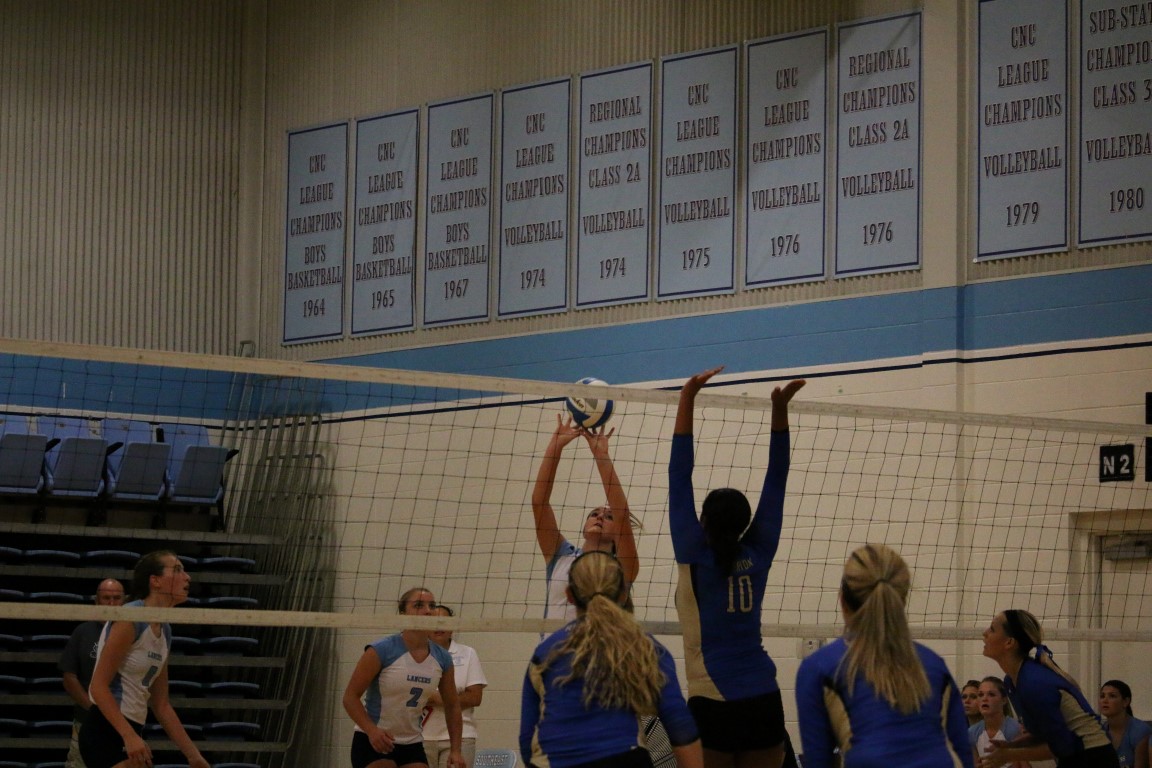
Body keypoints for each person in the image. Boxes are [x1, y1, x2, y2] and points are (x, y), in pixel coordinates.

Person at [668, 366, 803, 768]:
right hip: (763, 697)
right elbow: (777, 478)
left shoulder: (692, 550)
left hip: (712, 700)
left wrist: (687, 397)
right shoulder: (759, 550)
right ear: (743, 523)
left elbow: (679, 475)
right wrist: (779, 411)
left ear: (703, 521)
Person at [520, 550, 703, 768]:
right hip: (624, 759)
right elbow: (680, 728)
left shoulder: (544, 654)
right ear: (623, 593)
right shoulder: (645, 647)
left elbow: (526, 741)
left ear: (569, 595)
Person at [795, 543, 972, 768]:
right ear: (902, 601)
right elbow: (962, 752)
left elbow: (817, 760)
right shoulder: (933, 664)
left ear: (842, 600)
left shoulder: (819, 667)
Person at [79, 551, 208, 768]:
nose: (187, 577)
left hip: (132, 728)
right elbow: (98, 687)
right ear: (155, 581)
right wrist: (128, 736)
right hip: (104, 730)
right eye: (177, 570)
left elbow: (161, 704)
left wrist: (193, 755)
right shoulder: (131, 618)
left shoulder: (165, 630)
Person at [342, 587, 465, 768]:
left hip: (411, 743)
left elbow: (453, 705)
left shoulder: (442, 658)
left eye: (431, 605)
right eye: (419, 605)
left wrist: (456, 750)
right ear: (403, 613)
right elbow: (350, 697)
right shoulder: (381, 650)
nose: (427, 611)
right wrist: (371, 730)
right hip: (374, 739)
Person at [979, 609, 1118, 768]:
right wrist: (1010, 746)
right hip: (1077, 755)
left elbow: (1063, 745)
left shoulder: (1033, 682)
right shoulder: (1012, 681)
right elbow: (1045, 735)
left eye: (992, 629)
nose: (985, 633)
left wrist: (1009, 755)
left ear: (1009, 642)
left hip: (1094, 756)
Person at [532, 415, 638, 622]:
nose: (600, 516)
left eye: (608, 516)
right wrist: (555, 447)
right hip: (557, 644)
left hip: (600, 643)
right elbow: (539, 504)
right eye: (594, 514)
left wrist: (601, 456)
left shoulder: (623, 566)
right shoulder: (560, 555)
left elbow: (622, 515)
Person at [59, 578, 125, 768]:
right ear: (97, 601)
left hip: (123, 723)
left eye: (116, 598)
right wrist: (94, 710)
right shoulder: (83, 632)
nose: (111, 603)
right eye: (106, 598)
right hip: (85, 721)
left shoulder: (131, 633)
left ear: (124, 601)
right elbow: (69, 677)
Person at [421, 604, 488, 768]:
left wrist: (440, 698)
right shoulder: (415, 655)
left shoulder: (467, 653)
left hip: (461, 736)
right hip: (420, 737)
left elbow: (475, 697)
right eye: (434, 622)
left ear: (452, 627)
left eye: (444, 622)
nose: (438, 626)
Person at [971, 676, 1024, 768]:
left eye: (991, 694)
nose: (984, 698)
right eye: (980, 695)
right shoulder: (972, 732)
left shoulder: (1015, 729)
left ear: (1004, 700)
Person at [1099, 680, 1150, 768]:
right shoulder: (1099, 731)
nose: (1105, 700)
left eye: (1112, 696)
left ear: (1125, 701)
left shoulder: (1140, 731)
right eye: (1102, 696)